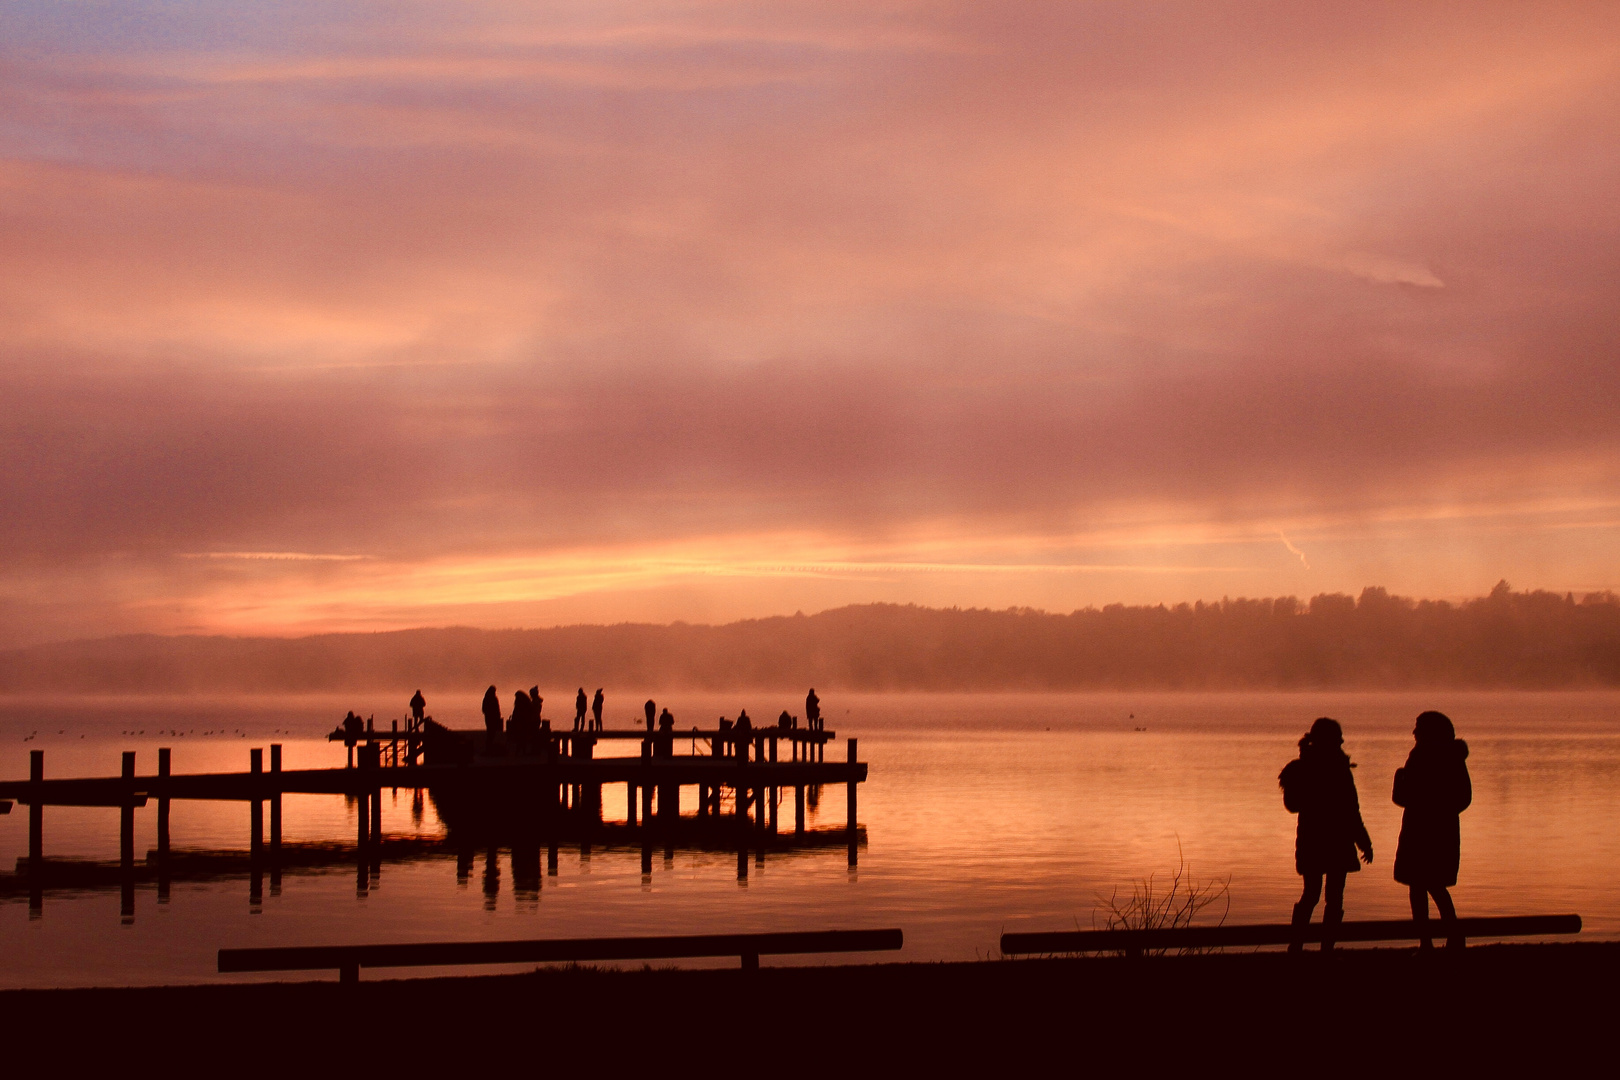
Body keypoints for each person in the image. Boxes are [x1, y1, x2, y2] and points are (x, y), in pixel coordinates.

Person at [1279, 717, 1373, 952]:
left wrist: (1363, 841)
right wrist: (1363, 842)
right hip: (1334, 840)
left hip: (1316, 841)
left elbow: (1293, 805)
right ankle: (1321, 948)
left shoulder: (1305, 768)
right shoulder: (1336, 770)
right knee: (1329, 897)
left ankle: (1300, 946)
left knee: (1314, 894)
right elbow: (1352, 811)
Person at [1393, 711, 1472, 949]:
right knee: (1428, 886)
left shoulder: (1422, 756)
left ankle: (1435, 940)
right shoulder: (1452, 757)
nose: (1414, 732)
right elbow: (1463, 798)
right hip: (1437, 830)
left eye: (1419, 728)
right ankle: (1442, 938)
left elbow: (1404, 797)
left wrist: (1399, 779)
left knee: (1425, 886)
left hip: (1422, 831)